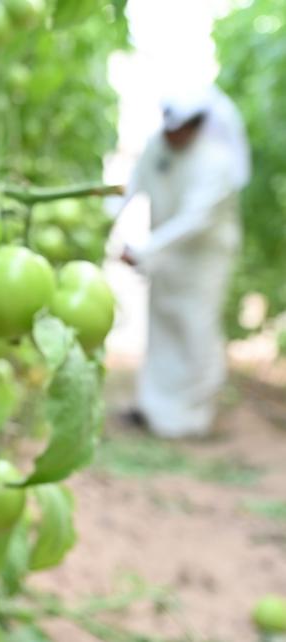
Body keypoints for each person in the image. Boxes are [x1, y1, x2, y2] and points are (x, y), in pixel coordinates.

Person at [115, 84, 251, 439]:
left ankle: (193, 417)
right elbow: (133, 185)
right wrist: (109, 216)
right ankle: (153, 409)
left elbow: (195, 219)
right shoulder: (157, 146)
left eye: (181, 129)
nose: (172, 135)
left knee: (195, 329)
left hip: (203, 261)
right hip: (165, 254)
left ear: (197, 126)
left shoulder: (217, 161)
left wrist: (144, 250)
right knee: (161, 326)